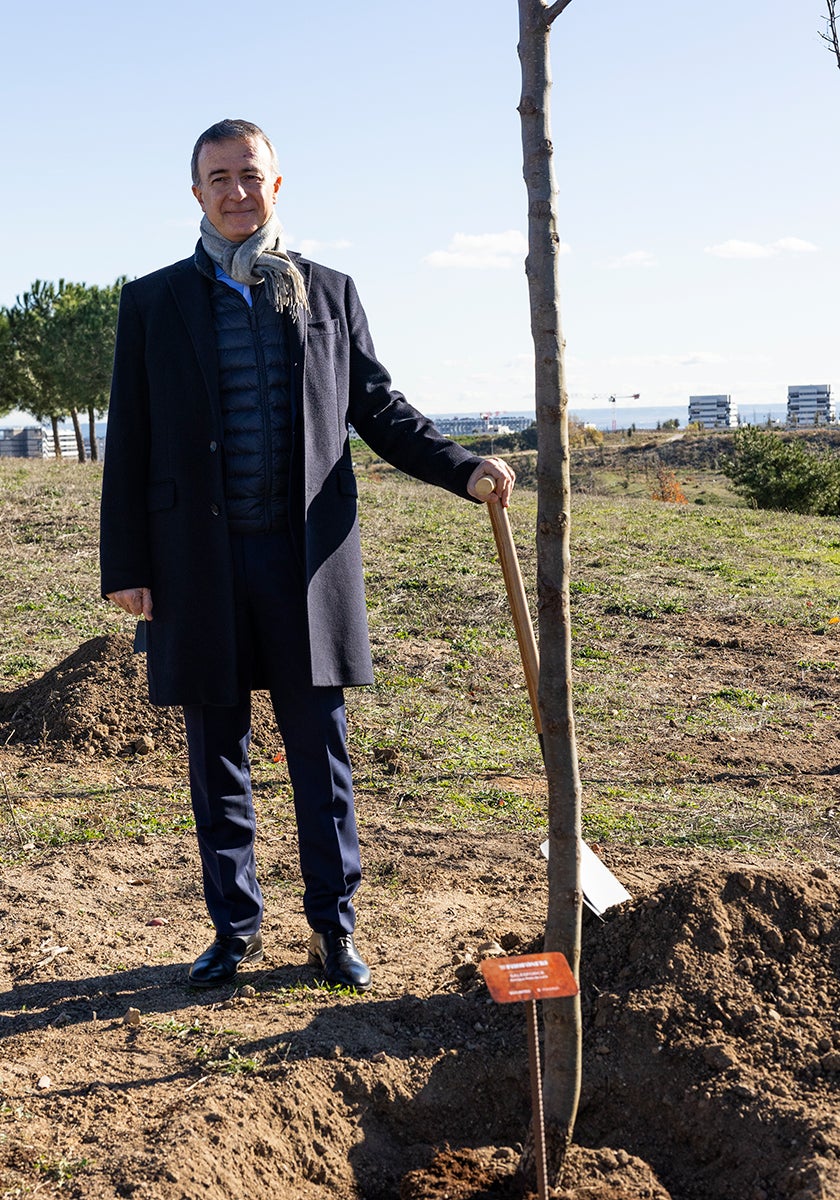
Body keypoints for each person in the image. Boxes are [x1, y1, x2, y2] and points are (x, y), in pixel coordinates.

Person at [99, 118, 515, 993]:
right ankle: (235, 929)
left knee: (320, 753)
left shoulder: (329, 291)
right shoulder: (153, 302)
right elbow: (129, 440)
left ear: (276, 184)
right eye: (219, 177)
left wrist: (462, 467)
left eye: (250, 174)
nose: (236, 192)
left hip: (305, 563)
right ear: (196, 192)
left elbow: (379, 407)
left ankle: (333, 928)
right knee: (216, 755)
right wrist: (127, 566)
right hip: (196, 565)